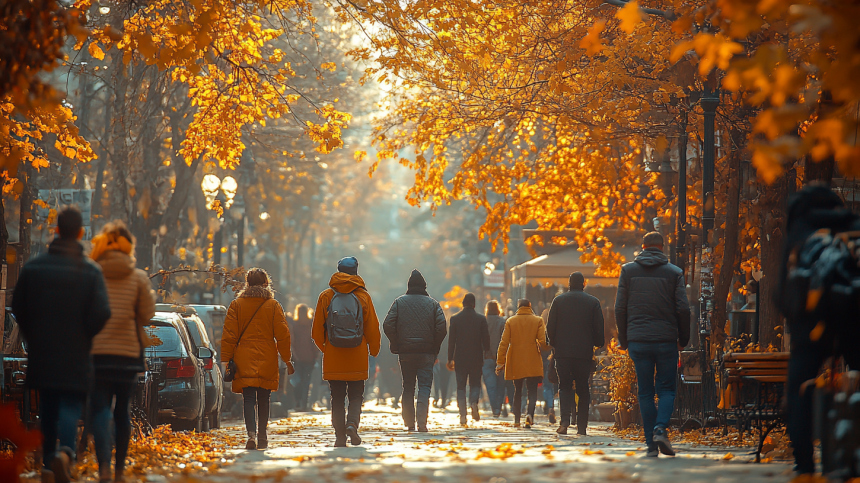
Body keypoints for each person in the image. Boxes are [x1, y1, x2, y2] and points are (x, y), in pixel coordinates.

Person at [11, 206, 111, 483]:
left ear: (56, 230)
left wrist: (34, 334)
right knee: (70, 403)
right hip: (76, 352)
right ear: (80, 232)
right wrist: (85, 334)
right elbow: (102, 312)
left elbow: (18, 306)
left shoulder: (34, 268)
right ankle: (65, 453)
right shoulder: (90, 271)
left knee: (48, 407)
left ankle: (47, 465)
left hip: (43, 350)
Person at [88, 221, 156, 482]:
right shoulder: (138, 277)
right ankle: (119, 472)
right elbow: (148, 314)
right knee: (122, 411)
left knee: (101, 408)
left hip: (98, 352)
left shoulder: (93, 273)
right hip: (128, 354)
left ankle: (103, 466)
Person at [615, 232, 690, 457]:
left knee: (645, 392)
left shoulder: (628, 271)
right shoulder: (674, 273)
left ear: (644, 247)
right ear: (662, 247)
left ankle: (650, 446)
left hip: (638, 340)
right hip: (666, 340)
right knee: (666, 389)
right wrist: (683, 339)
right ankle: (660, 428)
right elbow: (683, 309)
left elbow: (620, 308)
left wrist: (624, 339)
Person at [312, 257, 381, 447]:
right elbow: (372, 328)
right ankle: (352, 424)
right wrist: (373, 350)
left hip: (334, 356)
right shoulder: (363, 297)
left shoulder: (326, 296)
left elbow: (316, 332)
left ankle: (339, 436)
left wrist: (327, 349)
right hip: (357, 355)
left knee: (337, 397)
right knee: (356, 395)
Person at [221, 268, 293, 450]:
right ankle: (262, 436)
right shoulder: (274, 306)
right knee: (264, 398)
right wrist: (287, 358)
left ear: (247, 283)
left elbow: (229, 335)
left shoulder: (236, 305)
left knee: (248, 399)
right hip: (267, 356)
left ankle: (251, 435)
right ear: (266, 283)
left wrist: (226, 359)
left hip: (243, 357)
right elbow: (283, 335)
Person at [383, 269, 447, 431]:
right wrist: (435, 347)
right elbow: (441, 328)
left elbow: (387, 325)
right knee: (425, 386)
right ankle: (422, 422)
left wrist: (396, 343)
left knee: (408, 386)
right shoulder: (433, 304)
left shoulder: (399, 302)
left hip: (406, 352)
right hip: (426, 352)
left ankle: (409, 422)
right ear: (424, 287)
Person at [546, 272, 605, 435]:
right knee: (583, 388)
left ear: (569, 284)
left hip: (563, 352)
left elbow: (550, 327)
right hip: (583, 352)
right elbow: (599, 327)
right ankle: (582, 427)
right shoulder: (593, 302)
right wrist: (598, 342)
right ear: (583, 284)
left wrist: (553, 343)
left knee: (564, 386)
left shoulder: (558, 301)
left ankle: (564, 421)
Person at [496, 299, 547, 428]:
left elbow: (504, 343)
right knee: (532, 390)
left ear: (518, 307)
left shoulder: (511, 321)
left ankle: (517, 419)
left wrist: (500, 362)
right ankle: (530, 414)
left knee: (517, 390)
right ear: (530, 307)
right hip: (532, 358)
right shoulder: (538, 320)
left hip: (515, 359)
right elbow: (543, 342)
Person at [447, 293, 490, 425]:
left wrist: (450, 358)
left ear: (463, 304)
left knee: (460, 386)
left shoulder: (455, 319)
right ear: (474, 304)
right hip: (476, 357)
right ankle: (473, 402)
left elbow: (451, 341)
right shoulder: (481, 319)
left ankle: (462, 415)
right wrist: (486, 351)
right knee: (475, 383)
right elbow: (486, 340)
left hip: (460, 358)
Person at [290, 304, 318, 411]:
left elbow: (292, 341)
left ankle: (298, 402)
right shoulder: (311, 324)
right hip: (309, 358)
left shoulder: (295, 324)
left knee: (298, 381)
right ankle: (304, 404)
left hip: (298, 358)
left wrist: (294, 355)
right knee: (306, 381)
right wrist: (315, 354)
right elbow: (314, 340)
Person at [483, 300, 506, 417]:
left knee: (490, 385)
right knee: (501, 384)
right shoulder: (503, 322)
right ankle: (499, 406)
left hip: (486, 358)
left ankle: (495, 408)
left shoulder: (483, 322)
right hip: (500, 358)